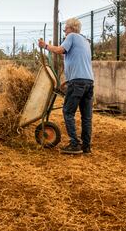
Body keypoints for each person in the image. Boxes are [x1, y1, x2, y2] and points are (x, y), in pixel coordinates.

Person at [38, 18, 94, 154]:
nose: (65, 32)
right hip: (89, 82)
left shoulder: (72, 36)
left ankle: (75, 144)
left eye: (66, 29)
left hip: (77, 82)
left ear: (71, 28)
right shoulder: (85, 41)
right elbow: (79, 62)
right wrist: (68, 81)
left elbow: (60, 50)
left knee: (68, 112)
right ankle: (86, 146)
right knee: (86, 116)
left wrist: (45, 46)